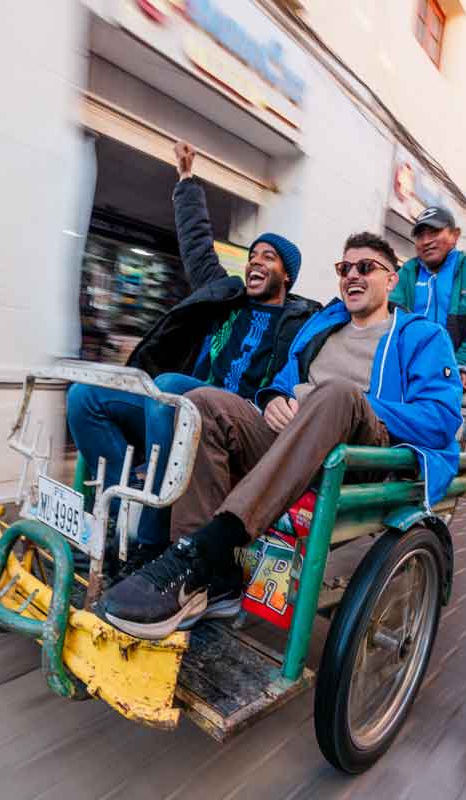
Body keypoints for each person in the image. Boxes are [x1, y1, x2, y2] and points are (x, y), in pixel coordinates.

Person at [100, 232, 463, 639]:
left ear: (392, 279)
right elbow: (283, 382)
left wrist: (334, 399)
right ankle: (208, 580)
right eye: (345, 268)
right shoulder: (323, 327)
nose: (352, 276)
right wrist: (273, 397)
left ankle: (208, 549)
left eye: (366, 267)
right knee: (204, 402)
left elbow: (441, 419)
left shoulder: (423, 336)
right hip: (293, 445)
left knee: (337, 392)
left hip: (362, 455)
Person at [66, 141, 320, 569]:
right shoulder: (225, 296)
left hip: (234, 426)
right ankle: (112, 519)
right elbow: (197, 245)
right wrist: (186, 182)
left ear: (287, 275)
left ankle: (150, 547)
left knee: (173, 392)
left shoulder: (301, 323)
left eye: (269, 257)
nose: (256, 262)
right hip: (174, 412)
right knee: (84, 397)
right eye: (253, 255)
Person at [389, 205, 466, 371]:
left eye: (434, 232)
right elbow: (390, 315)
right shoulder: (408, 271)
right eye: (420, 236)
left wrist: (460, 365)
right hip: (406, 367)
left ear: (455, 235)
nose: (426, 241)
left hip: (450, 371)